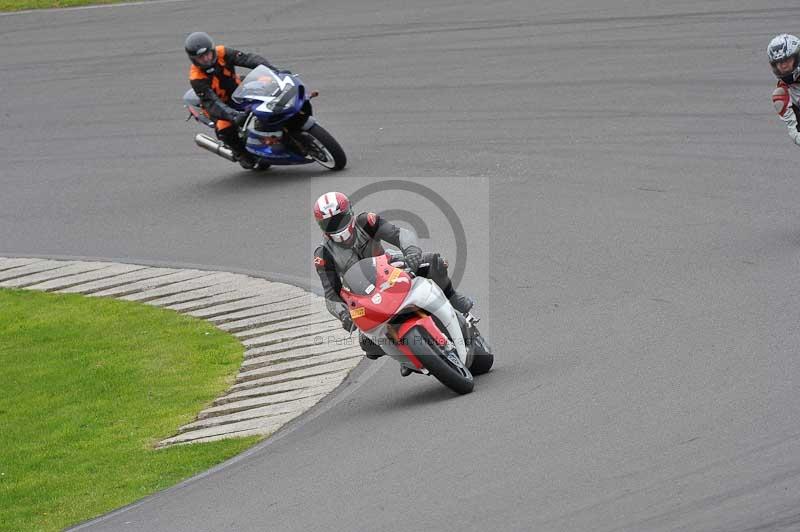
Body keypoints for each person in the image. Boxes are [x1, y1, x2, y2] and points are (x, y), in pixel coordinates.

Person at [312, 191, 474, 369]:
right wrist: (343, 314)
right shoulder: (323, 254)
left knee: (434, 262)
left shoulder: (366, 221)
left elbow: (399, 234)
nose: (336, 226)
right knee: (369, 346)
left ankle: (453, 298)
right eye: (330, 223)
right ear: (322, 226)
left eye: (339, 219)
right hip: (362, 295)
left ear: (350, 212)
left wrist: (411, 251)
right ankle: (406, 354)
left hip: (390, 268)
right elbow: (331, 295)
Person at [185, 31, 283, 168]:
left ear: (212, 50)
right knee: (224, 127)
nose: (206, 59)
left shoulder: (223, 52)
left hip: (238, 89)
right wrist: (234, 115)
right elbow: (212, 103)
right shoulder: (196, 78)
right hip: (220, 105)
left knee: (267, 83)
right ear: (194, 59)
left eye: (208, 54)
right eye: (201, 58)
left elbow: (249, 59)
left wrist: (274, 70)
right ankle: (241, 153)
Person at [768, 33, 800, 147]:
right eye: (779, 63)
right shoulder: (782, 95)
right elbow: (794, 131)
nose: (783, 66)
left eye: (787, 60)